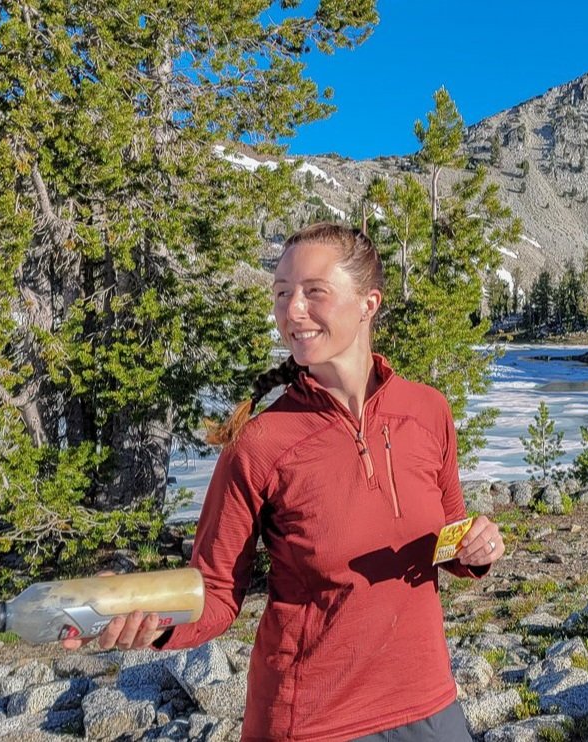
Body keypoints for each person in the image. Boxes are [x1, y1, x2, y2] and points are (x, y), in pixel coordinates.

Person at [66, 223, 505, 740]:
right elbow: (216, 593)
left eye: (314, 292)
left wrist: (479, 546)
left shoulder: (427, 411)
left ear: (369, 303)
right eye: (282, 294)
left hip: (428, 703)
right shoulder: (260, 443)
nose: (292, 310)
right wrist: (154, 619)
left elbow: (449, 538)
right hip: (312, 721)